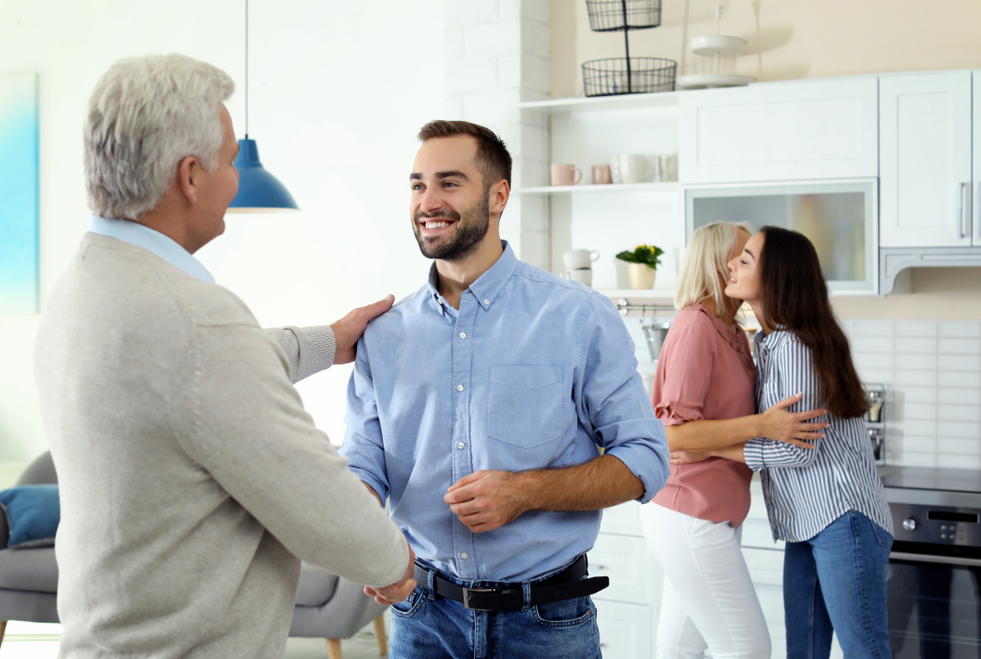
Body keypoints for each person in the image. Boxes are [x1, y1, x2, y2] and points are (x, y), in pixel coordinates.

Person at [34, 54, 415, 659]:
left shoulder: (85, 285)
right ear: (190, 176)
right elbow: (316, 497)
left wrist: (329, 339)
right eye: (232, 160)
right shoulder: (196, 323)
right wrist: (393, 561)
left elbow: (194, 374)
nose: (236, 179)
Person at [339, 120, 670, 659]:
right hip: (422, 619)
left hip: (546, 624)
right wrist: (361, 537)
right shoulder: (383, 333)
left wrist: (525, 491)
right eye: (418, 185)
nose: (428, 201)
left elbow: (646, 460)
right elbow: (362, 461)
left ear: (499, 196)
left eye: (449, 183)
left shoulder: (577, 318)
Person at [674, 225, 894, 658]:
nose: (731, 265)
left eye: (746, 259)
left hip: (841, 517)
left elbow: (791, 448)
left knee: (864, 651)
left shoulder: (793, 345)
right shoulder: (771, 343)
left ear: (775, 275)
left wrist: (707, 446)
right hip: (808, 524)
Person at [640, 222, 828, 659]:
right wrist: (761, 426)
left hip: (708, 511)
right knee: (747, 648)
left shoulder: (735, 334)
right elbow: (672, 435)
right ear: (717, 262)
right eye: (742, 254)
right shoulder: (695, 325)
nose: (743, 264)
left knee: (680, 647)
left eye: (749, 258)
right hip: (689, 511)